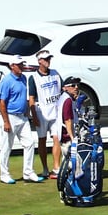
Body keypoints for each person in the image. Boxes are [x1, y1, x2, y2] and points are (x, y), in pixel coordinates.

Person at [0, 54, 45, 184]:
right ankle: (4, 174)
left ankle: (28, 172)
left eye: (22, 64)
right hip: (10, 117)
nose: (21, 67)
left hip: (22, 117)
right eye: (19, 65)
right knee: (7, 146)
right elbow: (2, 102)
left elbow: (23, 97)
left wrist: (27, 112)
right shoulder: (6, 81)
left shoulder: (24, 78)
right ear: (12, 66)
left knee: (29, 143)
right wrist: (6, 121)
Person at [29, 50, 63, 179]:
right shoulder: (34, 78)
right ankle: (44, 168)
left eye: (49, 58)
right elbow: (31, 98)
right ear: (39, 61)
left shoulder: (55, 74)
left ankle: (56, 168)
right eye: (45, 59)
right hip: (41, 112)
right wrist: (34, 117)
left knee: (57, 138)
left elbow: (62, 89)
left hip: (55, 112)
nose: (48, 61)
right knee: (42, 140)